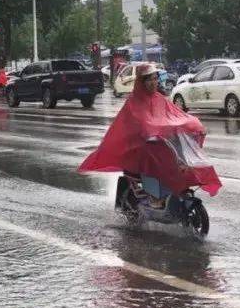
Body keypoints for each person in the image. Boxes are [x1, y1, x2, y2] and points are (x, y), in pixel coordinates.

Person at [79, 63, 221, 206]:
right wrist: (154, 131)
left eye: (155, 79)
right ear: (141, 82)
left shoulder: (159, 99)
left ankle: (169, 196)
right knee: (159, 161)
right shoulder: (133, 102)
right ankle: (154, 199)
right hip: (141, 149)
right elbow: (143, 123)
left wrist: (194, 125)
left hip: (159, 145)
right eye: (149, 79)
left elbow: (176, 116)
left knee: (181, 162)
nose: (154, 82)